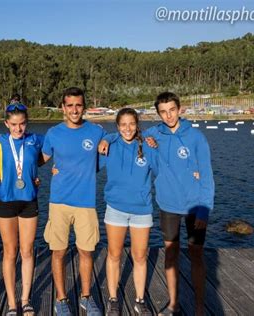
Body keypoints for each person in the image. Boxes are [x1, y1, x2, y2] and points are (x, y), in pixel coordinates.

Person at [147, 92, 214, 316]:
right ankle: (174, 304)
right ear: (158, 114)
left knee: (196, 253)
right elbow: (132, 131)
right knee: (171, 253)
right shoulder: (155, 133)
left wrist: (205, 209)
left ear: (180, 109)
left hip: (195, 206)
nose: (168, 116)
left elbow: (206, 175)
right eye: (163, 112)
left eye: (172, 110)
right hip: (168, 205)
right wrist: (107, 139)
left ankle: (198, 306)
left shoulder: (196, 137)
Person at [42, 87, 105, 316]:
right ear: (63, 108)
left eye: (78, 105)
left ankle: (86, 297)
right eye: (70, 105)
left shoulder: (97, 132)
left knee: (86, 252)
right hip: (58, 202)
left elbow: (117, 138)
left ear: (84, 107)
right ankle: (61, 299)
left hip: (86, 203)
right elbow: (39, 158)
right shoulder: (53, 133)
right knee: (58, 252)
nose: (74, 110)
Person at [99, 108, 157, 316]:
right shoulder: (111, 145)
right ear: (117, 127)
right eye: (123, 124)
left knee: (140, 257)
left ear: (137, 125)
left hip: (142, 210)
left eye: (131, 124)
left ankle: (140, 300)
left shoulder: (148, 146)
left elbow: (163, 166)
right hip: (115, 208)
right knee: (114, 255)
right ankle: (113, 298)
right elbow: (87, 161)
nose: (127, 128)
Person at [0, 103, 44, 316]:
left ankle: (26, 299)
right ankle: (12, 303)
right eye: (13, 124)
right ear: (6, 124)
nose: (18, 128)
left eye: (22, 123)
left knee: (27, 250)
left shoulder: (35, 140)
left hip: (29, 201)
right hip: (6, 201)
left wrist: (44, 171)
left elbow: (55, 148)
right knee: (10, 252)